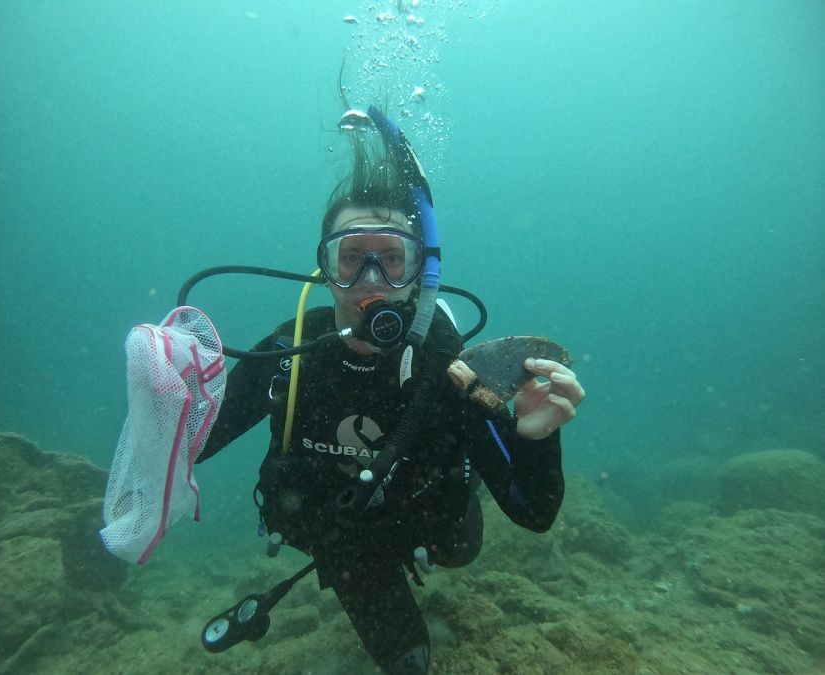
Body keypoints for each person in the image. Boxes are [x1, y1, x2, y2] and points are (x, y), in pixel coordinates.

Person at [196, 106, 585, 674]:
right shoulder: (288, 356)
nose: (371, 282)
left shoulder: (449, 371)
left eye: (392, 259)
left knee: (459, 550)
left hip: (429, 527)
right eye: (351, 259)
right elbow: (189, 447)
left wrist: (534, 441)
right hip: (344, 543)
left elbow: (533, 513)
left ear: (419, 274)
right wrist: (165, 404)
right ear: (325, 269)